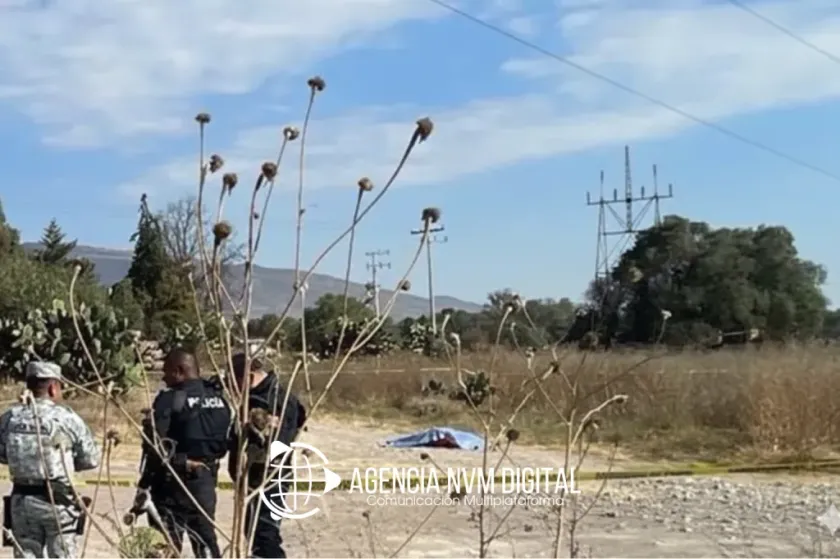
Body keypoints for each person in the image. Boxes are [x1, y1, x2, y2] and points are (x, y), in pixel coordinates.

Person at [0, 361, 100, 558]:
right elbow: (90, 459)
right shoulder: (67, 418)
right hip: (58, 502)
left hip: (22, 501)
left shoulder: (9, 418)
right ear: (54, 388)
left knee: (26, 553)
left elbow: (2, 455)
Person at [139, 348, 231, 558]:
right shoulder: (218, 399)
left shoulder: (170, 399)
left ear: (179, 370)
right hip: (206, 482)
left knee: (164, 547)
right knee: (206, 542)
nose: (163, 377)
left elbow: (155, 448)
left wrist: (144, 483)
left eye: (167, 371)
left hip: (172, 484)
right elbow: (224, 443)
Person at [228, 352, 306, 559]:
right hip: (251, 478)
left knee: (265, 533)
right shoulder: (252, 398)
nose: (233, 389)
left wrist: (256, 432)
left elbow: (280, 444)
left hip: (271, 477)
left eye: (234, 381)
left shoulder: (280, 398)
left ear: (248, 375)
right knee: (251, 531)